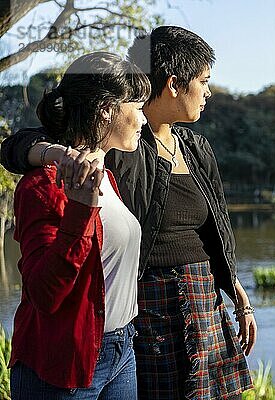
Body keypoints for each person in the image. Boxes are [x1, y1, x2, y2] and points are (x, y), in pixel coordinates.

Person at [2, 26, 256, 400]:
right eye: (203, 81)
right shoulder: (114, 149)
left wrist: (235, 289)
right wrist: (53, 154)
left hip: (189, 305)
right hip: (146, 311)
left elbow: (215, 227)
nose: (208, 91)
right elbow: (20, 146)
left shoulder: (196, 147)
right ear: (173, 83)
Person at [9, 52, 150, 399]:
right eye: (138, 106)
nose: (143, 118)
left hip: (122, 351)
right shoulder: (42, 186)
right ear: (107, 109)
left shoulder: (108, 177)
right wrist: (79, 210)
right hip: (63, 364)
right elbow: (44, 293)